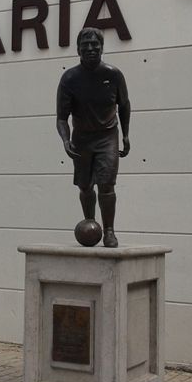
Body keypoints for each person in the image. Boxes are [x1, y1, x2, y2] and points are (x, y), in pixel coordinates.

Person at [56, 27, 131, 247]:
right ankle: (90, 224)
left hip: (107, 136)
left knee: (106, 184)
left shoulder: (113, 74)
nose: (90, 48)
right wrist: (65, 140)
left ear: (102, 47)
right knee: (85, 186)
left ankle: (109, 230)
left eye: (94, 44)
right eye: (85, 45)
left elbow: (124, 105)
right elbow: (61, 117)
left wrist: (126, 135)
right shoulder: (69, 78)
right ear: (78, 49)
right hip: (82, 138)